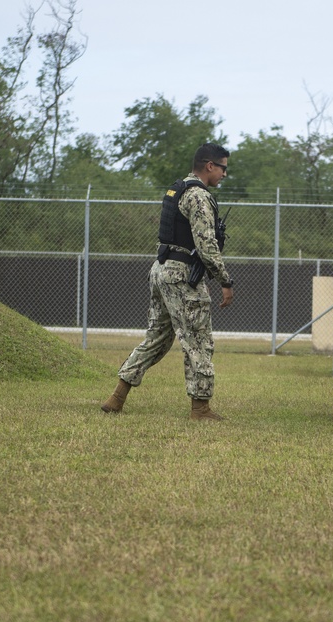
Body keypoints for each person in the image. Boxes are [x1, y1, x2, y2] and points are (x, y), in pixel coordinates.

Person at [101, 143, 235, 421]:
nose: (224, 174)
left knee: (157, 338)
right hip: (182, 275)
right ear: (210, 166)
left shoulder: (178, 189)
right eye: (223, 168)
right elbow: (206, 245)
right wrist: (225, 280)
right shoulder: (198, 196)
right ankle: (201, 409)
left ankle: (116, 398)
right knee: (198, 341)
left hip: (161, 269)